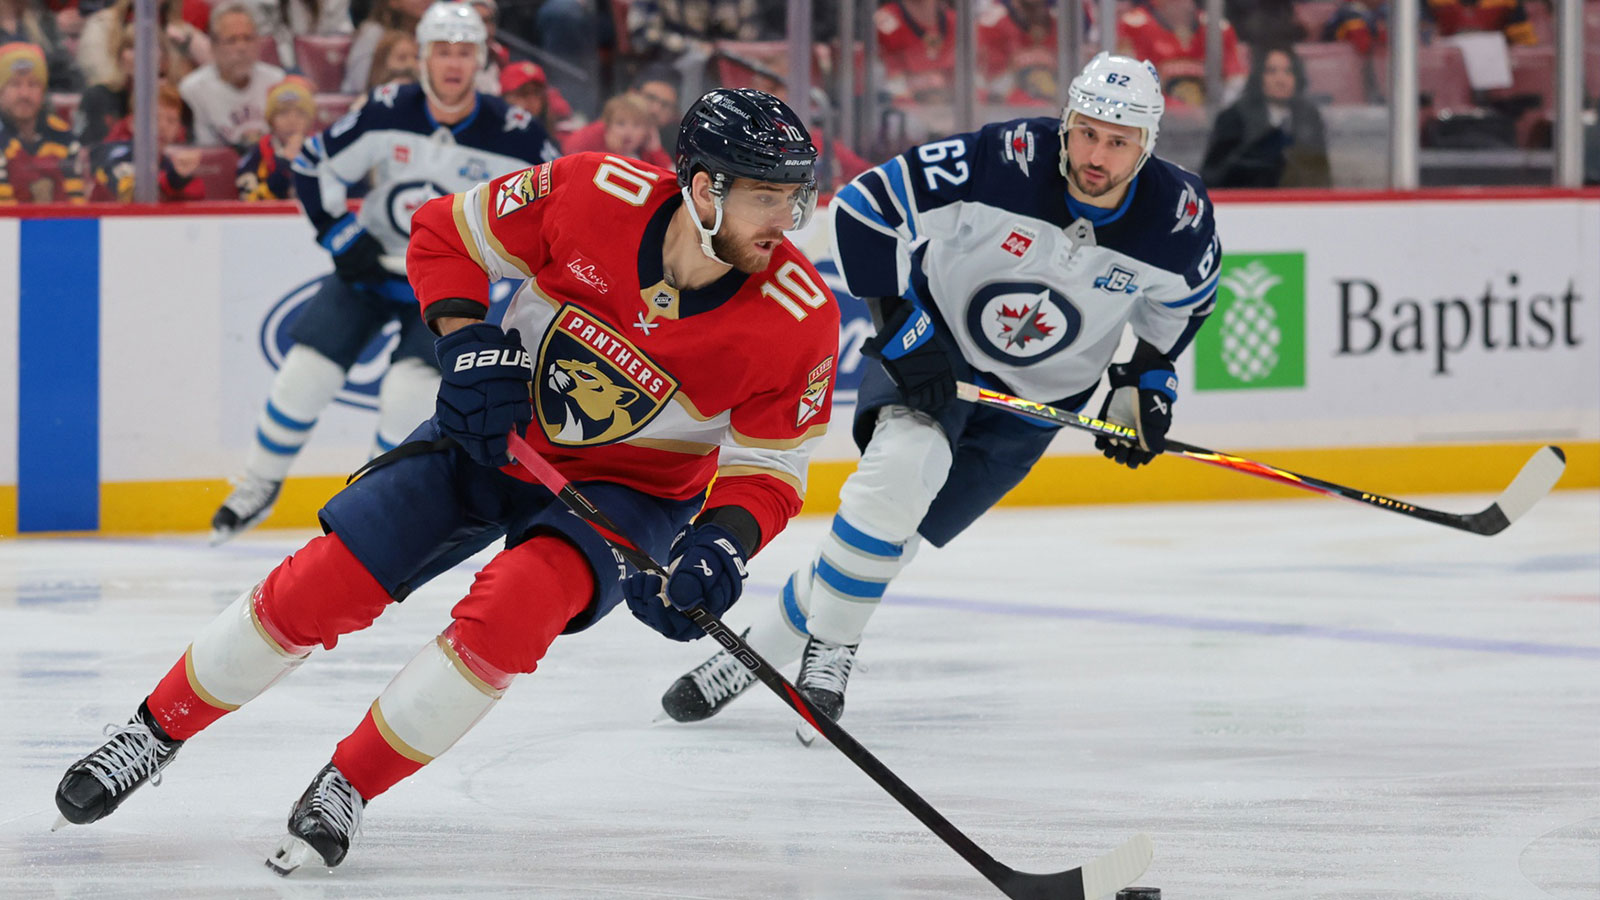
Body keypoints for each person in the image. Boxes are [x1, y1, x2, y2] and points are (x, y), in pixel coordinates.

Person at [54, 87, 836, 876]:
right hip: (498, 430)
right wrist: (466, 345)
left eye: (795, 197)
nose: (787, 220)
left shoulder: (800, 316)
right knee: (328, 581)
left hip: (629, 494)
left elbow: (770, 471)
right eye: (766, 197)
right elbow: (444, 233)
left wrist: (720, 546)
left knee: (515, 610)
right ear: (702, 188)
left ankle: (349, 784)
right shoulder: (592, 191)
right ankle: (153, 731)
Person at [656, 53, 1221, 733]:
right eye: (1086, 132)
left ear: (1148, 144)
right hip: (939, 349)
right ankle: (830, 657)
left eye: (1118, 141)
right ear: (1067, 120)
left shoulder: (1179, 217)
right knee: (899, 474)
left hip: (1044, 400)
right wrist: (901, 326)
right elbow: (866, 206)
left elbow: (1186, 302)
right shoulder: (1004, 158)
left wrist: (1147, 380)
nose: (1096, 155)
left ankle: (750, 656)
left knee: (891, 541)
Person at [207, 1, 559, 542]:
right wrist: (340, 234)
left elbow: (558, 212)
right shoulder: (387, 108)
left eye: (464, 52)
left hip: (451, 288)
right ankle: (257, 484)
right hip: (372, 270)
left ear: (481, 60)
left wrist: (518, 278)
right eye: (442, 50)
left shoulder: (517, 136)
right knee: (304, 374)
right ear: (421, 56)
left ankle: (363, 512)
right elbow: (313, 164)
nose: (453, 63)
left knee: (404, 397)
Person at [1200, 45, 1331, 188]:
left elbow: (1320, 174)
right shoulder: (1233, 118)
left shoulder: (1309, 117)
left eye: (1288, 71)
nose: (1280, 79)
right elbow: (1213, 176)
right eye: (1271, 71)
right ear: (1259, 76)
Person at [177, 1, 286, 149]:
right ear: (213, 46)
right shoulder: (192, 90)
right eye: (232, 40)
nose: (242, 48)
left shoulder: (277, 81)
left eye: (248, 38)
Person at [88, 81, 205, 201]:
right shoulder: (108, 154)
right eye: (155, 118)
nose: (163, 126)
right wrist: (174, 179)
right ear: (133, 123)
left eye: (171, 120)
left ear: (179, 129)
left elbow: (197, 193)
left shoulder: (169, 163)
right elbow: (132, 195)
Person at [0, 41, 86, 203]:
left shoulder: (62, 135)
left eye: (33, 84)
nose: (24, 94)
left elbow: (76, 202)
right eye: (15, 85)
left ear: (43, 91)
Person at [1117, 0, 1244, 108]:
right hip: (1154, 118)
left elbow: (1236, 82)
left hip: (1208, 118)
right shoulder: (1133, 26)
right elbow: (1126, 84)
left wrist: (1218, 114)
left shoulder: (1218, 29)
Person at [236, 74, 316, 200]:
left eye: (300, 114)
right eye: (283, 113)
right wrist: (284, 162)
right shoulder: (259, 151)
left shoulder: (320, 148)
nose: (292, 121)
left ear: (310, 121)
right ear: (271, 120)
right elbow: (249, 198)